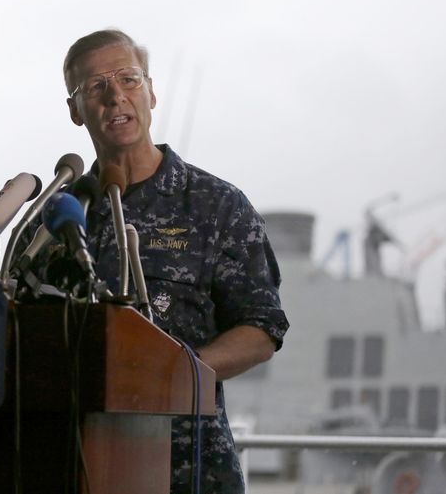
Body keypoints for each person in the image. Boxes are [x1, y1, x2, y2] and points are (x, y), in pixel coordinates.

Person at [45, 29, 289, 493]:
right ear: (76, 110)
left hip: (188, 464)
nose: (116, 96)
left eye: (128, 79)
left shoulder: (215, 205)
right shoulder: (60, 216)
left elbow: (261, 328)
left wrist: (180, 370)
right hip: (77, 463)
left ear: (151, 92)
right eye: (96, 87)